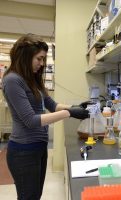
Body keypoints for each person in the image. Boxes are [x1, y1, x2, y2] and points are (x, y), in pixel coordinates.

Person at [2, 34, 90, 200]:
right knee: (28, 197)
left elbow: (52, 105)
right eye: (39, 59)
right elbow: (31, 120)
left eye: (44, 59)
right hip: (23, 151)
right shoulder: (12, 80)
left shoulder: (32, 80)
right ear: (25, 56)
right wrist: (69, 113)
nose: (42, 64)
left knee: (35, 196)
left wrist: (76, 107)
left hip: (38, 148)